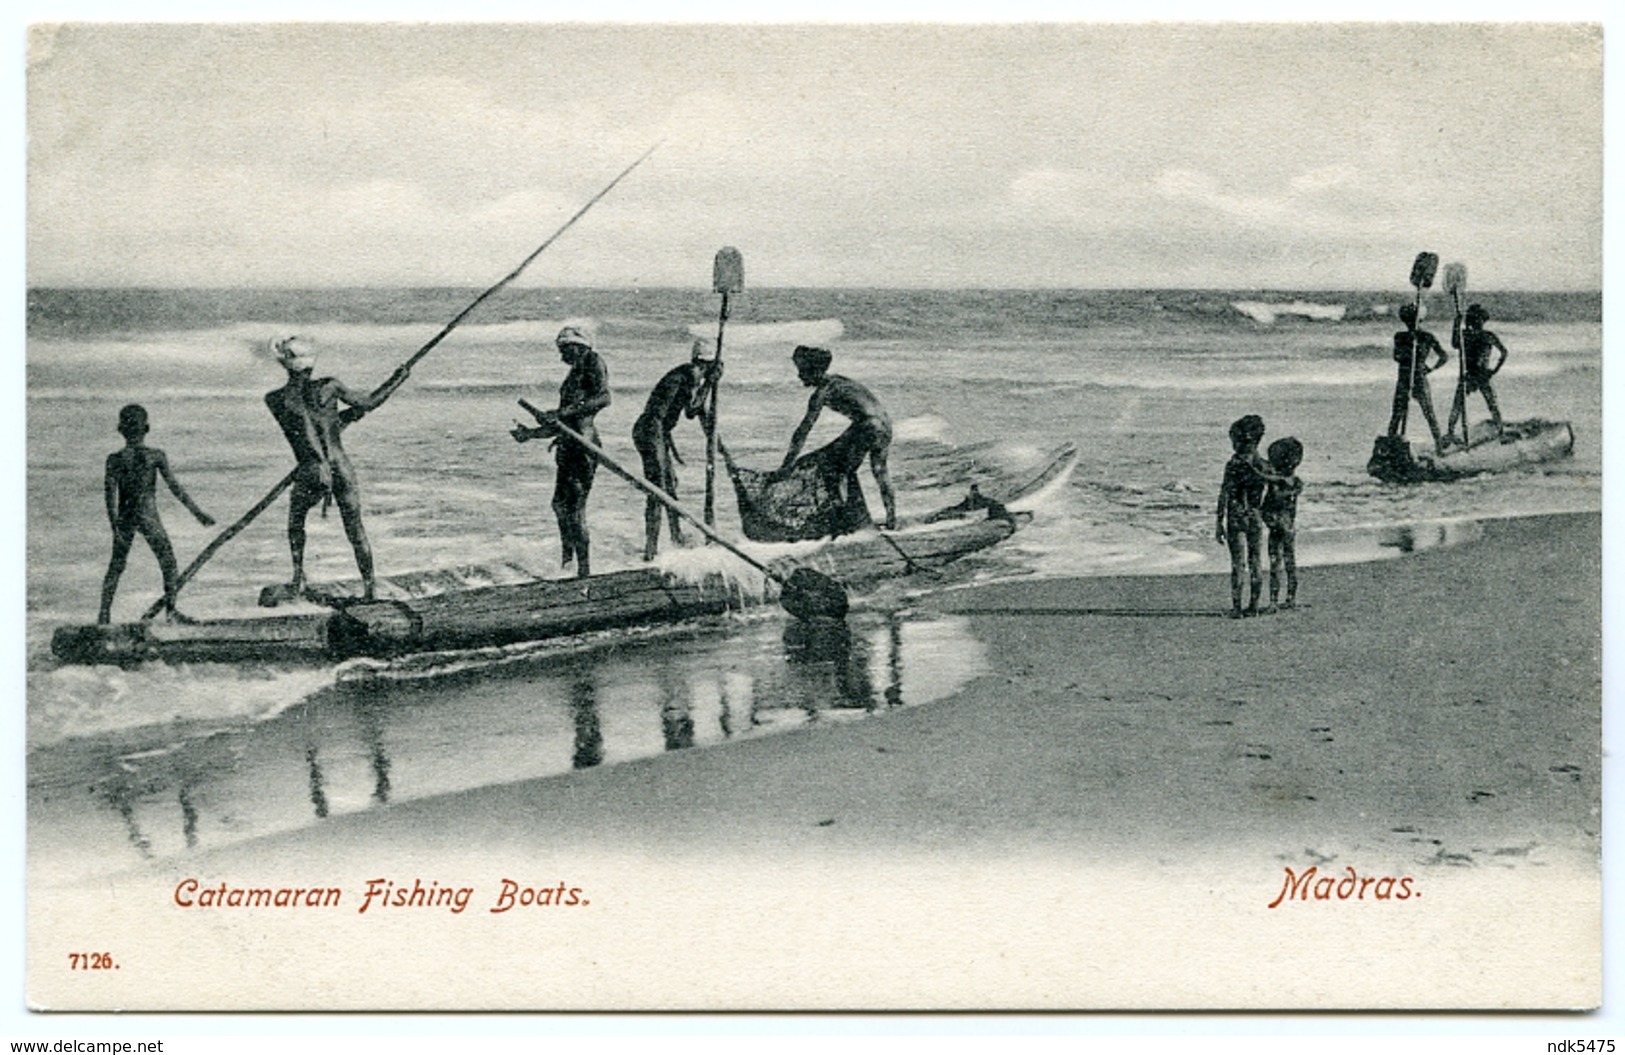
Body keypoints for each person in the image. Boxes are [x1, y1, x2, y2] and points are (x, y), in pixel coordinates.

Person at [264, 335, 409, 601]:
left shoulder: (274, 399)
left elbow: (303, 428)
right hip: (340, 466)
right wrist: (398, 378)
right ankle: (369, 590)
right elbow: (367, 403)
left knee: (296, 523)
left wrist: (340, 418)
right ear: (311, 365)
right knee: (355, 529)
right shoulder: (329, 387)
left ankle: (297, 579)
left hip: (311, 470)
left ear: (285, 365)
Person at [99, 404, 215, 624]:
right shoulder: (155, 456)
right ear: (147, 428)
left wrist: (114, 526)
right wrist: (198, 514)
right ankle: (171, 612)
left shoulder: (114, 459)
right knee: (168, 562)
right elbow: (175, 488)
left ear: (120, 429)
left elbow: (110, 496)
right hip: (148, 515)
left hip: (125, 517)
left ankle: (104, 615)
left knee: (116, 566)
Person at [511, 326, 610, 578]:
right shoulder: (574, 373)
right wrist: (531, 433)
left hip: (584, 447)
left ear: (578, 346)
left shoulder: (593, 361)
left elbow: (604, 397)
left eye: (564, 350)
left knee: (575, 509)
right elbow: (561, 425)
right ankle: (567, 563)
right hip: (568, 446)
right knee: (559, 505)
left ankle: (584, 572)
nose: (561, 356)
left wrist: (562, 413)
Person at [775, 345, 897, 531]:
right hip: (885, 425)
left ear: (814, 371)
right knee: (880, 471)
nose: (799, 376)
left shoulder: (821, 393)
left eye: (802, 371)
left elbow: (803, 431)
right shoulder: (839, 380)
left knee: (836, 470)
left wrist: (786, 465)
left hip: (867, 425)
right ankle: (891, 520)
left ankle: (846, 521)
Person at [632, 339, 719, 561]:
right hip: (651, 431)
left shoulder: (689, 374)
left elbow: (699, 413)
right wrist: (710, 384)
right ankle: (650, 551)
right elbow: (691, 410)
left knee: (670, 486)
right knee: (658, 490)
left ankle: (676, 536)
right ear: (708, 363)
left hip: (656, 432)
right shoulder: (691, 374)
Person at [1214, 414, 1273, 618]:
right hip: (1255, 515)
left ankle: (1237, 608)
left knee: (1238, 564)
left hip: (1236, 515)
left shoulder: (1233, 464)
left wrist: (1218, 522)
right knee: (1256, 561)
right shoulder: (1264, 465)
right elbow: (1273, 493)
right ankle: (1254, 606)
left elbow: (1224, 493)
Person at [1386, 303, 1448, 455]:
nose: (1409, 323)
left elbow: (1444, 356)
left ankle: (1439, 448)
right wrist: (1408, 351)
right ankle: (1390, 448)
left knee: (1429, 413)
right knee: (1397, 415)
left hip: (1419, 377)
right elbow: (1396, 356)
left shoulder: (1427, 337)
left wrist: (1430, 368)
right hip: (1404, 378)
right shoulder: (1400, 337)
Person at [1446, 303, 1509, 444]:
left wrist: (1494, 371)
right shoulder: (1466, 335)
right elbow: (1455, 343)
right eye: (1475, 319)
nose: (1478, 322)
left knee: (1492, 404)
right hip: (1469, 375)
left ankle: (1501, 433)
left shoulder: (1486, 336)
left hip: (1482, 375)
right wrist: (1456, 324)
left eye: (1480, 319)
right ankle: (1450, 433)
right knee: (1458, 404)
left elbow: (1504, 353)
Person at [1261, 436, 1304, 612]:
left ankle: (1273, 601)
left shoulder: (1278, 481)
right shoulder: (1296, 481)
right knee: (1289, 563)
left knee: (1275, 564)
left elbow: (1271, 490)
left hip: (1277, 525)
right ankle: (1290, 599)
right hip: (1289, 526)